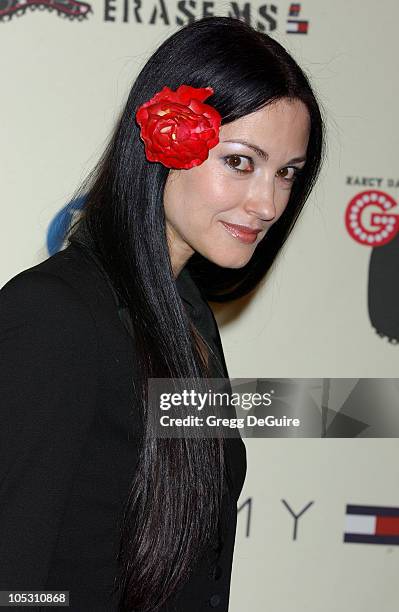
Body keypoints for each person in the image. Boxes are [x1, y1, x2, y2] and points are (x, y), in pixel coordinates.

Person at [0, 15, 325, 612]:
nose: (268, 202)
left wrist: (356, 407)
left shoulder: (188, 319)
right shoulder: (55, 316)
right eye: (240, 162)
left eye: (287, 173)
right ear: (165, 142)